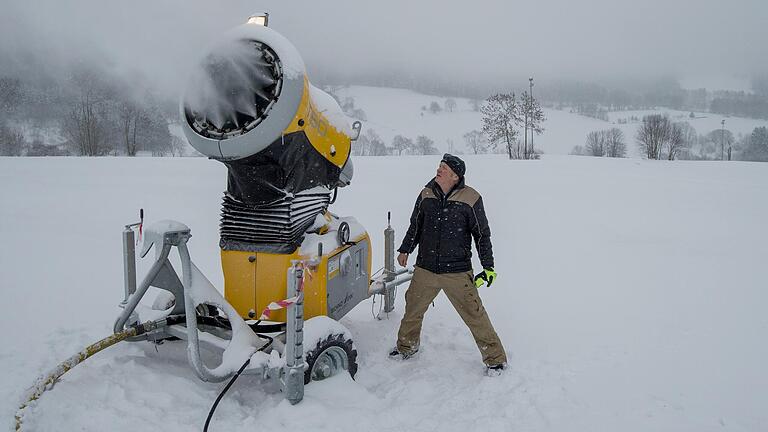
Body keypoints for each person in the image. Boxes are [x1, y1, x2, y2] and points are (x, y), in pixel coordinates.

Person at [390, 154, 507, 375]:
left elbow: (482, 235)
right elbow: (415, 224)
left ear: (455, 176)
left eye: (443, 168)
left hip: (457, 271)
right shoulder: (426, 194)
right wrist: (406, 248)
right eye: (439, 166)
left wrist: (488, 266)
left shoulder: (471, 198)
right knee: (412, 311)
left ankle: (495, 359)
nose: (438, 170)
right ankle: (406, 347)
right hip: (425, 268)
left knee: (475, 315)